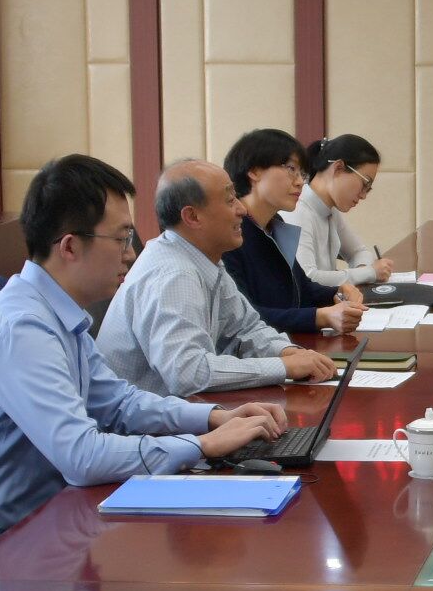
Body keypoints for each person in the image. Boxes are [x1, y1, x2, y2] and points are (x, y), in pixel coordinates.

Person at [0, 155, 286, 577]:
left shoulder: (59, 315)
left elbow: (120, 403)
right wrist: (201, 445)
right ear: (69, 246)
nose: (131, 254)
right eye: (121, 239)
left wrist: (213, 418)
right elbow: (81, 456)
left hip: (34, 536)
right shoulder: (21, 326)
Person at [98, 160, 342, 396]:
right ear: (192, 217)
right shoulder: (174, 275)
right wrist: (284, 367)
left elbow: (246, 328)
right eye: (230, 200)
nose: (242, 209)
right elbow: (188, 373)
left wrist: (289, 353)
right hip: (146, 421)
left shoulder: (203, 259)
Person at [220, 128, 362, 336]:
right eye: (291, 169)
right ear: (254, 171)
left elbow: (301, 287)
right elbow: (243, 316)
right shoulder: (229, 233)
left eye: (301, 173)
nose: (300, 182)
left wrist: (337, 291)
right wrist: (319, 317)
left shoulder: (274, 224)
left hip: (287, 344)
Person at [294, 131, 399, 288]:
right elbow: (308, 278)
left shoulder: (330, 209)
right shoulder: (297, 209)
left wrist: (363, 272)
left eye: (368, 189)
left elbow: (359, 252)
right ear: (338, 167)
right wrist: (370, 272)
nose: (363, 195)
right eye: (365, 184)